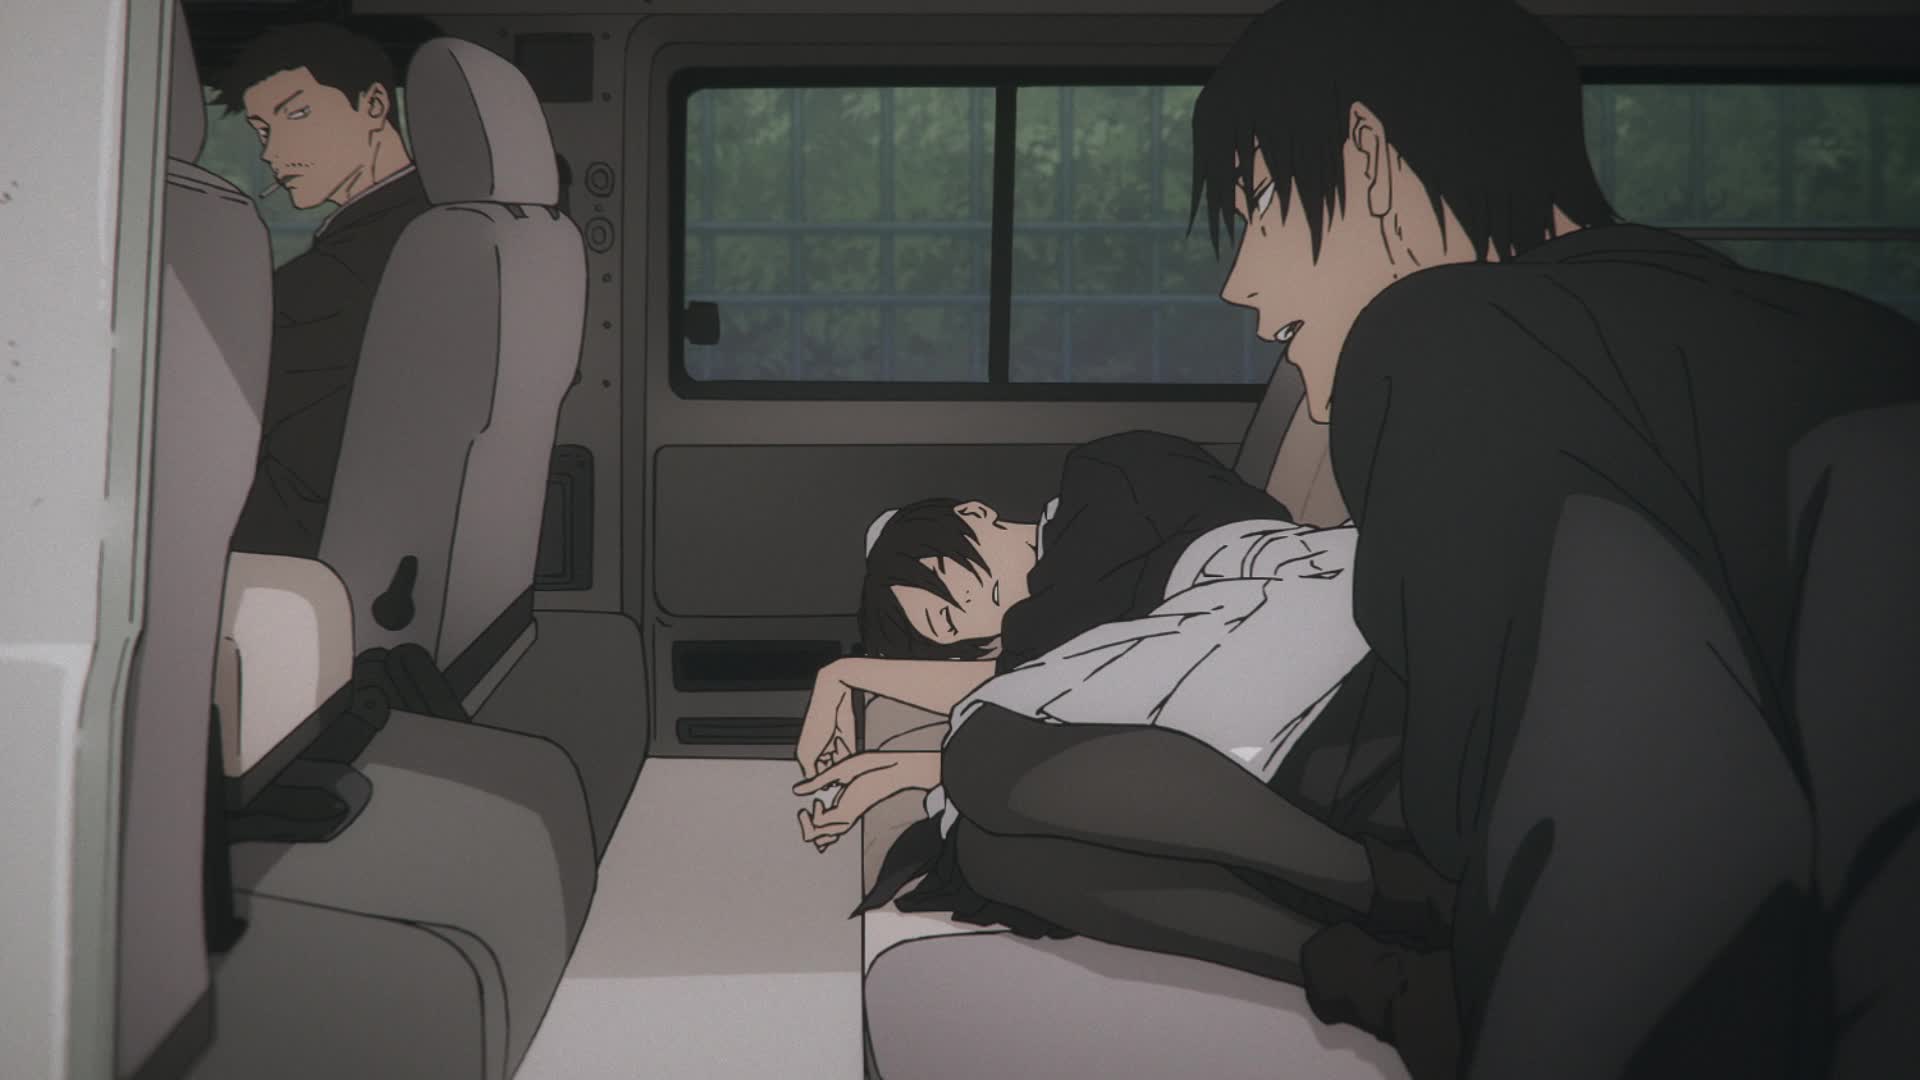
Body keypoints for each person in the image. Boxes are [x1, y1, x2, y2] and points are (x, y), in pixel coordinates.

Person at [1183, 1, 1920, 1077]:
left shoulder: (1458, 340)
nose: (1238, 281)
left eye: (1259, 205)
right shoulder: (1860, 344)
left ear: (1368, 157)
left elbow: (1638, 859)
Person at [794, 430, 1464, 1077]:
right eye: (947, 622)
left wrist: (849, 680)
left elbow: (1046, 663)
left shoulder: (1106, 473)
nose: (964, 601)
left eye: (947, 575)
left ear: (974, 514)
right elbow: (1056, 679)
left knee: (977, 753)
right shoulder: (1052, 647)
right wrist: (886, 724)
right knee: (986, 852)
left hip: (1327, 654)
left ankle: (1391, 889)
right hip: (1241, 753)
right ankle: (1387, 982)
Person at [217, 23, 431, 558]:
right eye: (262, 130)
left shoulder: (335, 280)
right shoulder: (430, 225)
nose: (273, 152)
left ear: (374, 105)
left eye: (297, 115)